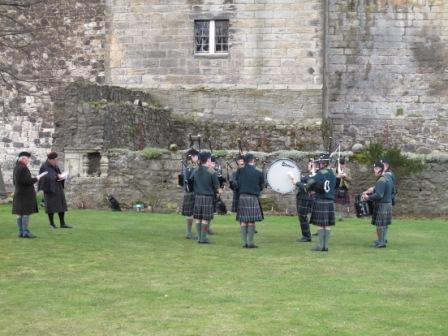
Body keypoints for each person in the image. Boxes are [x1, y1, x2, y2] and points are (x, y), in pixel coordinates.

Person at [293, 154, 336, 251]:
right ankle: (325, 246)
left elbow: (307, 186)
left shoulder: (320, 174)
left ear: (323, 163)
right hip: (330, 201)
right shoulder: (333, 174)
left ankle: (321, 246)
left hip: (321, 200)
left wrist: (296, 182)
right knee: (327, 225)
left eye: (319, 163)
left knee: (321, 224)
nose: (318, 165)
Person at [12, 151, 47, 238]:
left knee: (19, 213)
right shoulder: (23, 168)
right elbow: (27, 181)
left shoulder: (16, 167)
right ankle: (25, 232)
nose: (28, 161)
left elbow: (15, 182)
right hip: (25, 195)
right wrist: (38, 178)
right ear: (23, 159)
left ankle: (21, 232)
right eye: (27, 159)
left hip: (19, 193)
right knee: (25, 213)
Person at [235, 153, 265, 248]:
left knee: (243, 220)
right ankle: (250, 243)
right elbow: (262, 185)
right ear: (252, 160)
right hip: (253, 197)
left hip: (242, 197)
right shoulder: (259, 171)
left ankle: (245, 243)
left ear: (244, 161)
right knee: (251, 221)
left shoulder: (240, 170)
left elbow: (236, 183)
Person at [191, 151, 220, 244]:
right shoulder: (211, 171)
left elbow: (190, 182)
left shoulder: (195, 170)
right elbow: (217, 187)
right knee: (205, 219)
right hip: (207, 197)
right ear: (208, 160)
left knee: (198, 218)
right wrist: (219, 191)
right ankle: (203, 239)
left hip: (197, 197)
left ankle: (200, 238)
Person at [362, 161, 393, 248]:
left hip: (382, 204)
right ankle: (381, 241)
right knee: (383, 225)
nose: (374, 171)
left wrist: (368, 197)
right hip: (388, 203)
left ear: (380, 169)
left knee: (380, 225)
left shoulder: (381, 180)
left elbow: (379, 195)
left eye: (376, 169)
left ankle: (381, 243)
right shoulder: (388, 178)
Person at [38, 152, 71, 229]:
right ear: (50, 160)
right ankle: (51, 224)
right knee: (51, 207)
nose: (56, 162)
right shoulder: (44, 167)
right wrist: (57, 177)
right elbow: (45, 178)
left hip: (58, 188)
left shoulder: (55, 166)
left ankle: (62, 223)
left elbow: (57, 174)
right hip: (49, 190)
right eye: (55, 160)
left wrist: (62, 177)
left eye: (57, 160)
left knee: (61, 206)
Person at [294, 158, 316, 243]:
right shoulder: (307, 175)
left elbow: (306, 186)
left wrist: (295, 181)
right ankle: (306, 235)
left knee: (303, 217)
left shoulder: (315, 175)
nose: (308, 165)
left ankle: (306, 236)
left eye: (310, 164)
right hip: (302, 197)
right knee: (302, 217)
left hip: (306, 198)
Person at [181, 148, 199, 239]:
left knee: (193, 214)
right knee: (191, 214)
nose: (197, 158)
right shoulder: (190, 166)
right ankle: (189, 233)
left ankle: (192, 233)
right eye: (196, 156)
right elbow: (189, 179)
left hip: (193, 192)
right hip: (191, 192)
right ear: (192, 157)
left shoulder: (193, 165)